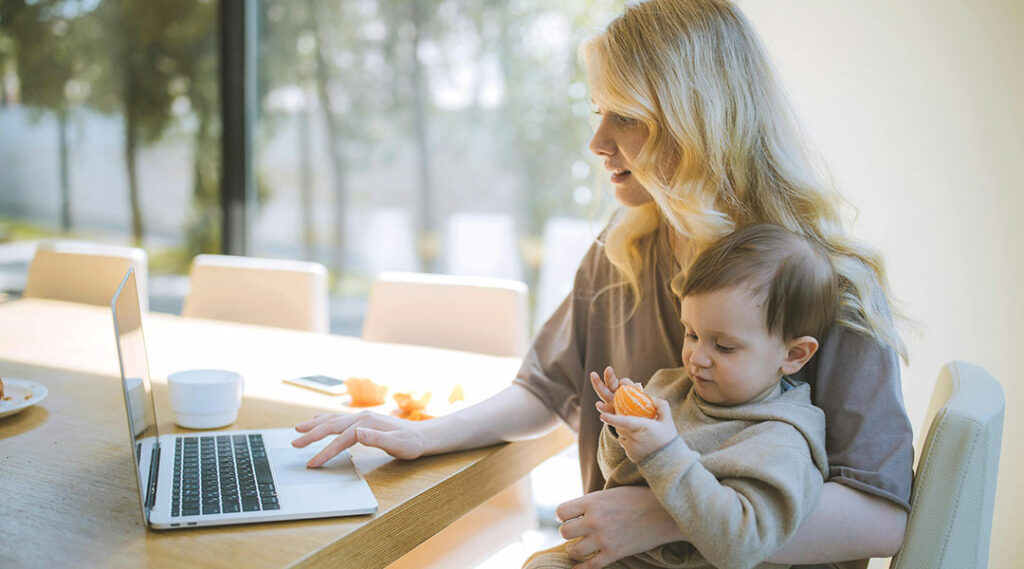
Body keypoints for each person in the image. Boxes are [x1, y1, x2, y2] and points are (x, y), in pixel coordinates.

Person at [292, 1, 913, 567]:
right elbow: (546, 388)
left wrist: (666, 517)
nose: (597, 142)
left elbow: (880, 516)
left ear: (697, 121)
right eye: (598, 113)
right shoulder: (625, 246)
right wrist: (423, 434)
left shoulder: (827, 283)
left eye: (627, 117)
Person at [524, 223, 835, 569]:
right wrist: (623, 432)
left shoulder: (782, 440)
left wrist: (663, 453)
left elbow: (743, 544)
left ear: (793, 355)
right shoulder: (672, 389)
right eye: (691, 334)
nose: (696, 358)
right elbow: (616, 475)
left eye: (724, 346)